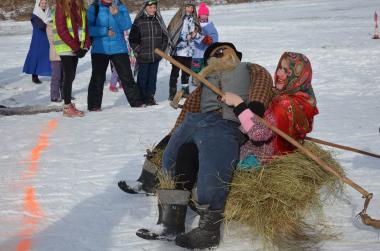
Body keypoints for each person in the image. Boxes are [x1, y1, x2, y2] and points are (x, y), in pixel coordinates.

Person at [137, 42, 273, 249]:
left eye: (224, 50)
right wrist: (173, 134)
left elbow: (261, 89)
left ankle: (209, 231)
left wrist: (248, 108)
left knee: (213, 168)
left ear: (236, 54)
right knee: (174, 158)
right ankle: (171, 223)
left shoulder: (250, 69)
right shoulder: (205, 79)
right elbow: (190, 107)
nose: (220, 55)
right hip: (196, 122)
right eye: (214, 54)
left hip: (226, 125)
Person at [223, 52, 319, 167]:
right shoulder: (305, 99)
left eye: (287, 71)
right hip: (287, 152)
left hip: (261, 158)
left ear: (299, 76)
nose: (279, 73)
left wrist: (238, 104)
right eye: (280, 68)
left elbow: (258, 133)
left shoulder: (285, 105)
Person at [87, 0, 144, 111]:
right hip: (100, 49)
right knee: (97, 78)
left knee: (127, 76)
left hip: (119, 48)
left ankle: (137, 103)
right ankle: (94, 105)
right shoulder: (94, 7)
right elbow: (88, 29)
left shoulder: (120, 6)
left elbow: (127, 25)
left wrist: (116, 14)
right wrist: (104, 31)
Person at [129, 0, 169, 106]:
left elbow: (165, 37)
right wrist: (139, 50)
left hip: (156, 56)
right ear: (145, 8)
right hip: (143, 56)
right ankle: (141, 98)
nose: (152, 10)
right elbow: (132, 39)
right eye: (150, 7)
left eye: (154, 7)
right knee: (142, 78)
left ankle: (150, 97)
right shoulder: (139, 21)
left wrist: (162, 50)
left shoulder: (158, 21)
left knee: (152, 78)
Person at [54, 0, 91, 117]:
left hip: (76, 47)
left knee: (71, 76)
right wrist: (76, 47)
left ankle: (68, 104)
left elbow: (86, 28)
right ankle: (67, 106)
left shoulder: (81, 6)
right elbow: (62, 30)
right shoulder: (61, 5)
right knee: (69, 75)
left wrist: (85, 46)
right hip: (66, 46)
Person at [167, 0, 200, 100]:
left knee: (186, 72)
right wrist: (186, 36)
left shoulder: (194, 19)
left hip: (189, 51)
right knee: (175, 72)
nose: (190, 9)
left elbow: (197, 33)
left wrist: (195, 34)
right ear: (184, 7)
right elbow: (173, 32)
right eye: (188, 7)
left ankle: (185, 91)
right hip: (178, 51)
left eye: (192, 7)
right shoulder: (178, 19)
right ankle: (172, 93)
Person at [23, 0, 52, 84]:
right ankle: (34, 75)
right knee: (36, 56)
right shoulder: (35, 15)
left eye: (45, 3)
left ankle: (51, 72)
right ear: (38, 4)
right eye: (42, 3)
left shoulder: (48, 13)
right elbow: (41, 26)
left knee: (47, 55)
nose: (44, 5)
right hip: (38, 39)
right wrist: (49, 24)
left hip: (47, 38)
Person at [191, 2, 218, 82]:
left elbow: (214, 36)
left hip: (206, 51)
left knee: (205, 67)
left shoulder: (210, 25)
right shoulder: (195, 24)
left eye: (206, 15)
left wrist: (211, 40)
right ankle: (195, 79)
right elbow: (192, 35)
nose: (204, 16)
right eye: (203, 14)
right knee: (196, 67)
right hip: (196, 52)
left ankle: (204, 80)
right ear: (199, 15)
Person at [46, 1, 63, 102]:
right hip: (55, 54)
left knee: (65, 76)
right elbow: (52, 39)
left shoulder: (63, 23)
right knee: (56, 76)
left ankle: (65, 94)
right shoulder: (50, 25)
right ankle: (54, 95)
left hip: (65, 53)